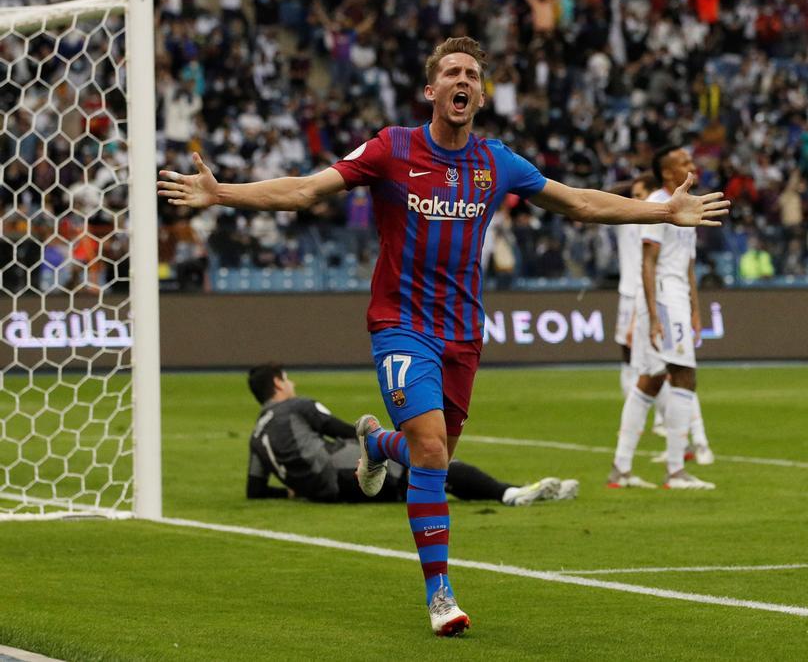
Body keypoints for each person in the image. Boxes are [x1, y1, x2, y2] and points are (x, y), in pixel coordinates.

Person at [158, 36, 728, 636]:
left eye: (473, 75)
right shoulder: (391, 148)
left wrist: (662, 213)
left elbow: (578, 203)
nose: (464, 80)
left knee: (436, 454)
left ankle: (376, 445)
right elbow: (305, 190)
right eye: (453, 72)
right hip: (401, 325)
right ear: (431, 90)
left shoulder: (495, 161)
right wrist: (223, 194)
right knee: (431, 450)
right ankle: (440, 595)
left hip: (462, 332)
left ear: (479, 95)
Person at [245, 364, 578, 506]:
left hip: (325, 493)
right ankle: (510, 493)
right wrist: (378, 445)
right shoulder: (297, 407)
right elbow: (342, 429)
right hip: (343, 471)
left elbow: (255, 490)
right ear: (278, 383)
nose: (293, 385)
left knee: (417, 480)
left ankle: (512, 493)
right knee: (430, 460)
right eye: (287, 379)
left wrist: (294, 492)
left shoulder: (256, 436)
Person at [609, 145, 717, 491]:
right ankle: (675, 471)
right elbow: (648, 261)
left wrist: (697, 310)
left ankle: (620, 470)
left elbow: (687, 263)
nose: (691, 164)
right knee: (684, 376)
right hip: (664, 300)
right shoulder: (658, 203)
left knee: (651, 379)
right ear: (669, 173)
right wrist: (655, 315)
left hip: (677, 300)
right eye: (684, 162)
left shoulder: (688, 203)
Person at [613, 173, 666, 436]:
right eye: (632, 195)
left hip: (649, 292)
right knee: (627, 353)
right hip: (627, 293)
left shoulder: (658, 220)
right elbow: (606, 194)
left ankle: (661, 419)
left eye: (640, 194)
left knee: (655, 356)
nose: (634, 199)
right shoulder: (624, 217)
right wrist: (635, 182)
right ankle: (635, 414)